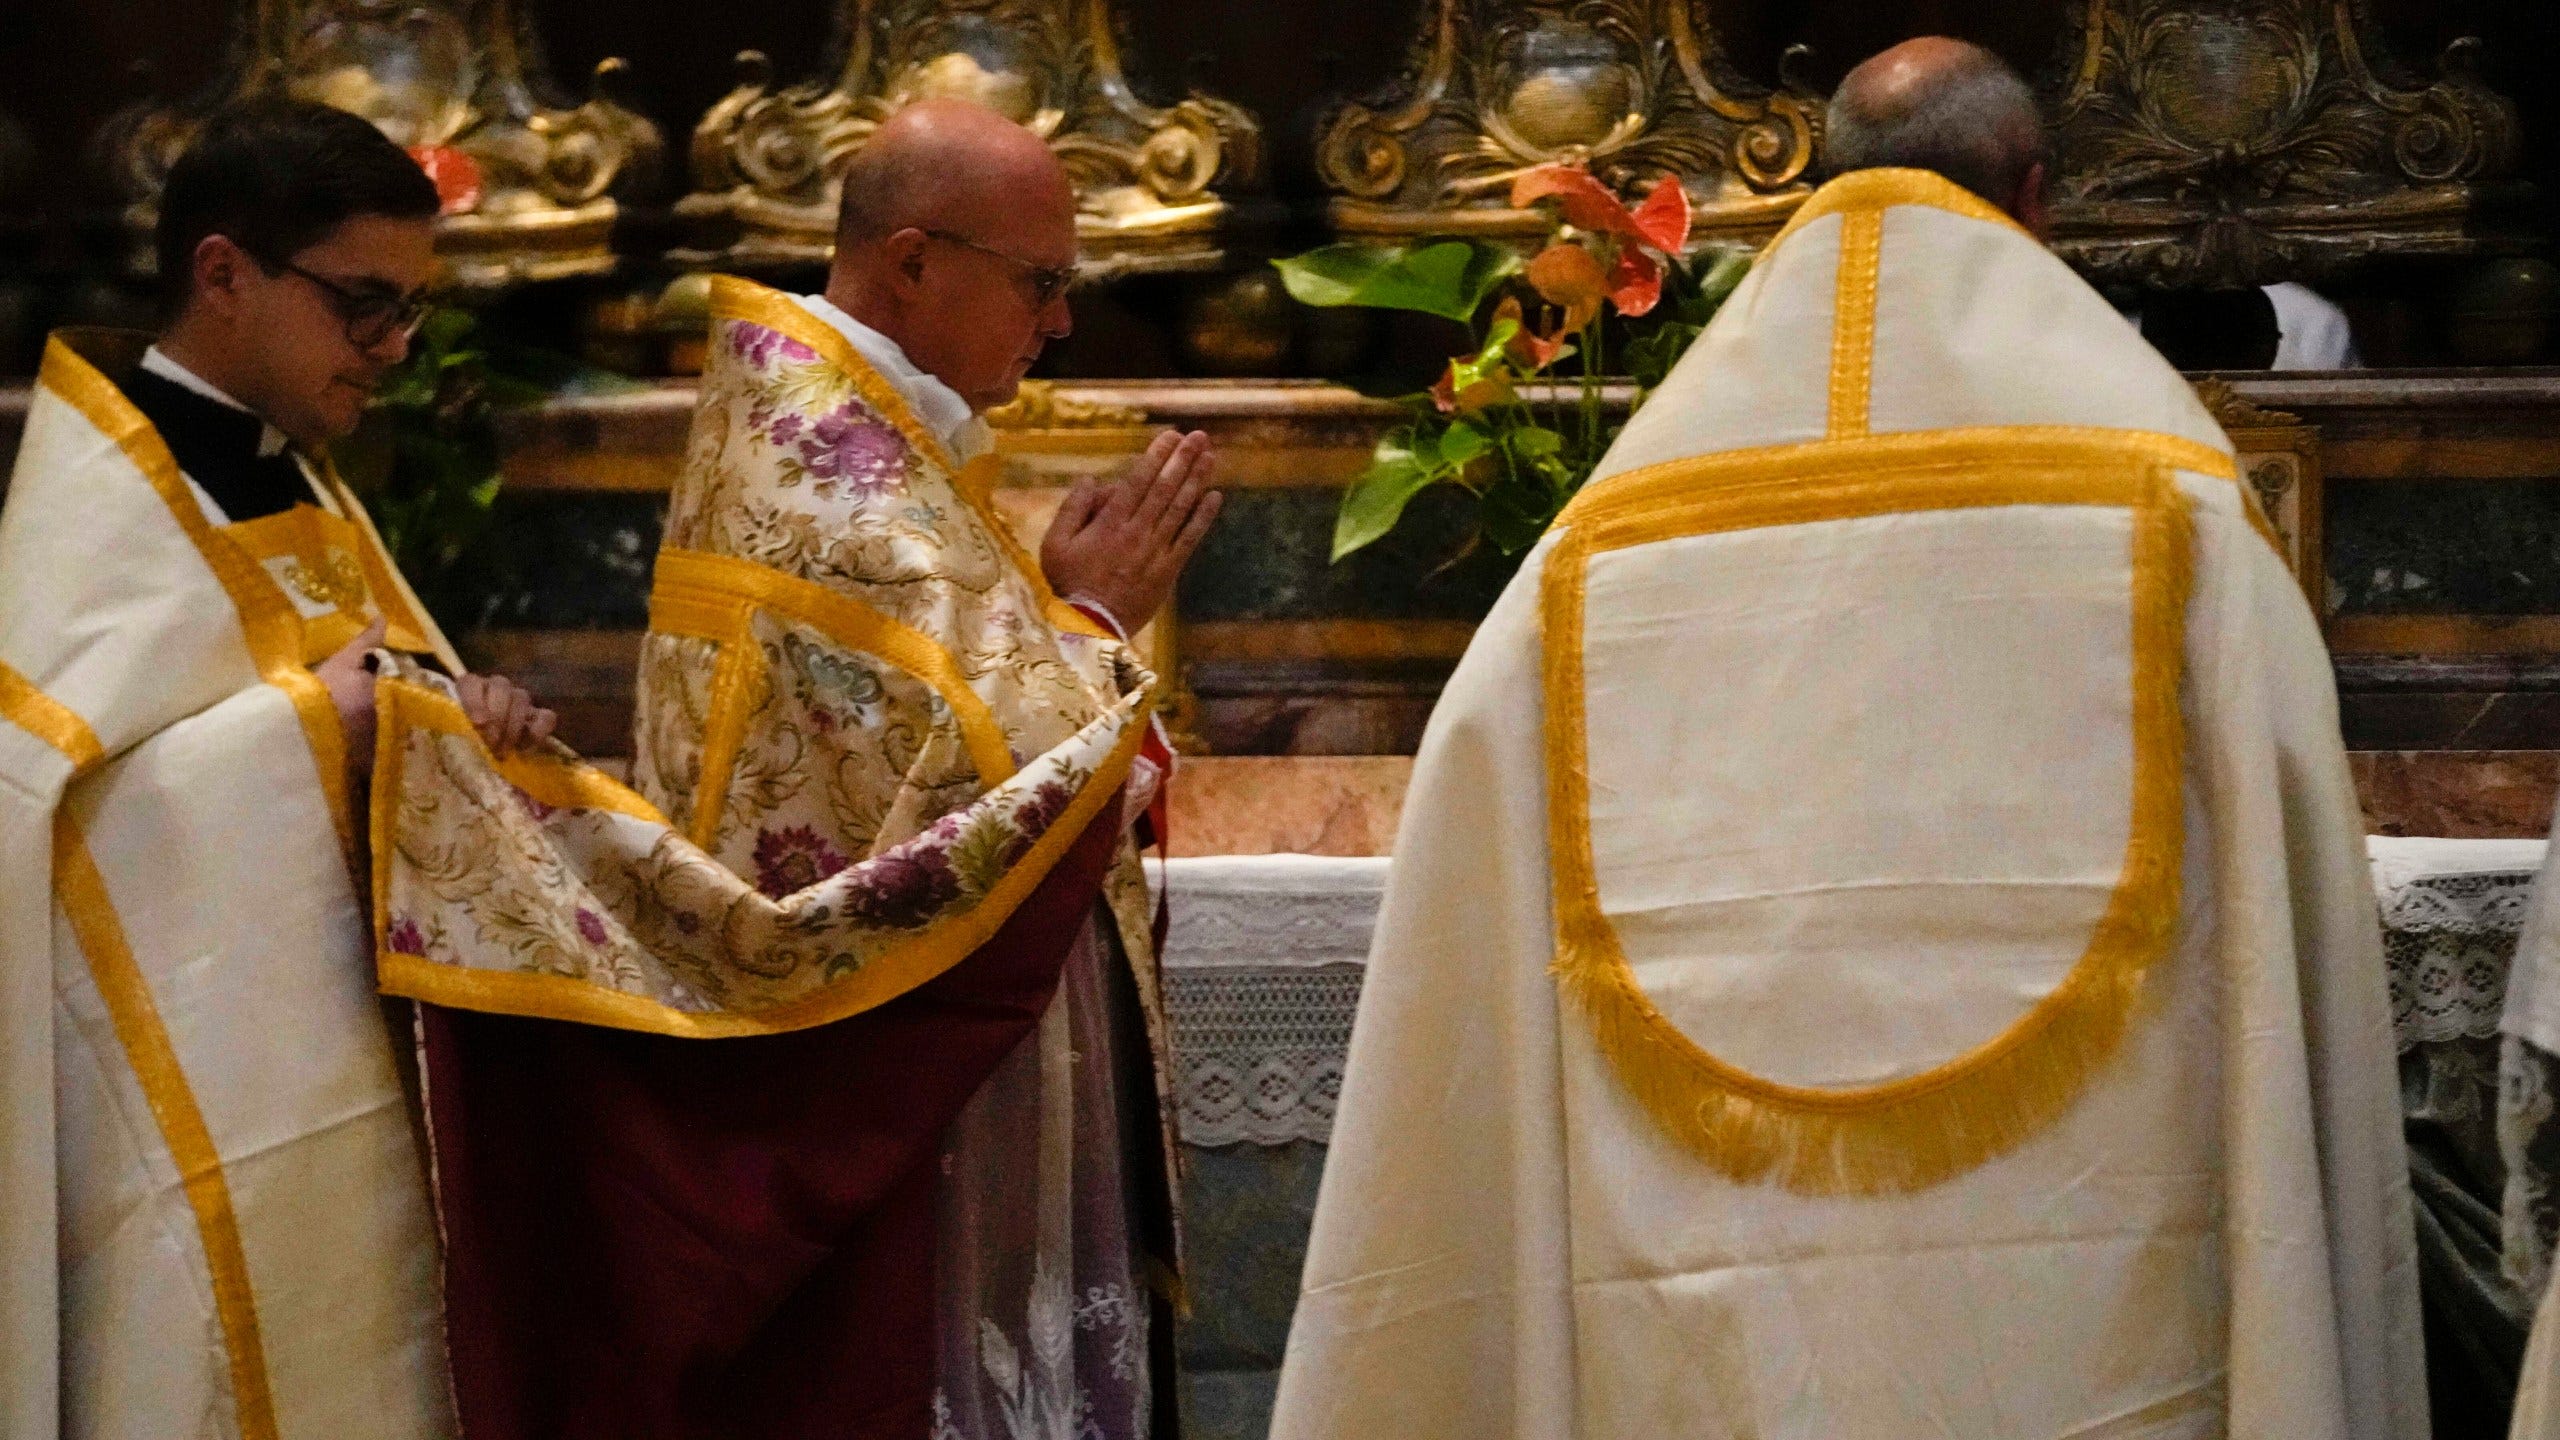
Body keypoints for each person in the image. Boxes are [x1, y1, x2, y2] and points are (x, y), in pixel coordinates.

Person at [1267, 37, 2424, 1440]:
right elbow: (2285, 825)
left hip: (1709, 1297)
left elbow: (1471, 844)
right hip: (2090, 1284)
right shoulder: (2165, 486)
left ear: (1820, 180)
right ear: (2036, 195)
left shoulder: (1615, 527)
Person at [390, 97, 1218, 1439]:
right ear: (913, 261)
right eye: (1040, 282)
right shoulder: (845, 491)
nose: (1062, 321)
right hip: (864, 1085)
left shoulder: (833, 438)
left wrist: (1059, 614)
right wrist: (1096, 625)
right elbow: (991, 786)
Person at [0, 100, 552, 1438]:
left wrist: (449, 718)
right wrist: (321, 726)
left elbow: (365, 695)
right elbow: (40, 832)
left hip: (333, 1076)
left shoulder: (292, 478)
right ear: (223, 273)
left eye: (411, 309)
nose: (395, 347)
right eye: (365, 304)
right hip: (173, 1129)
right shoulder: (101, 503)